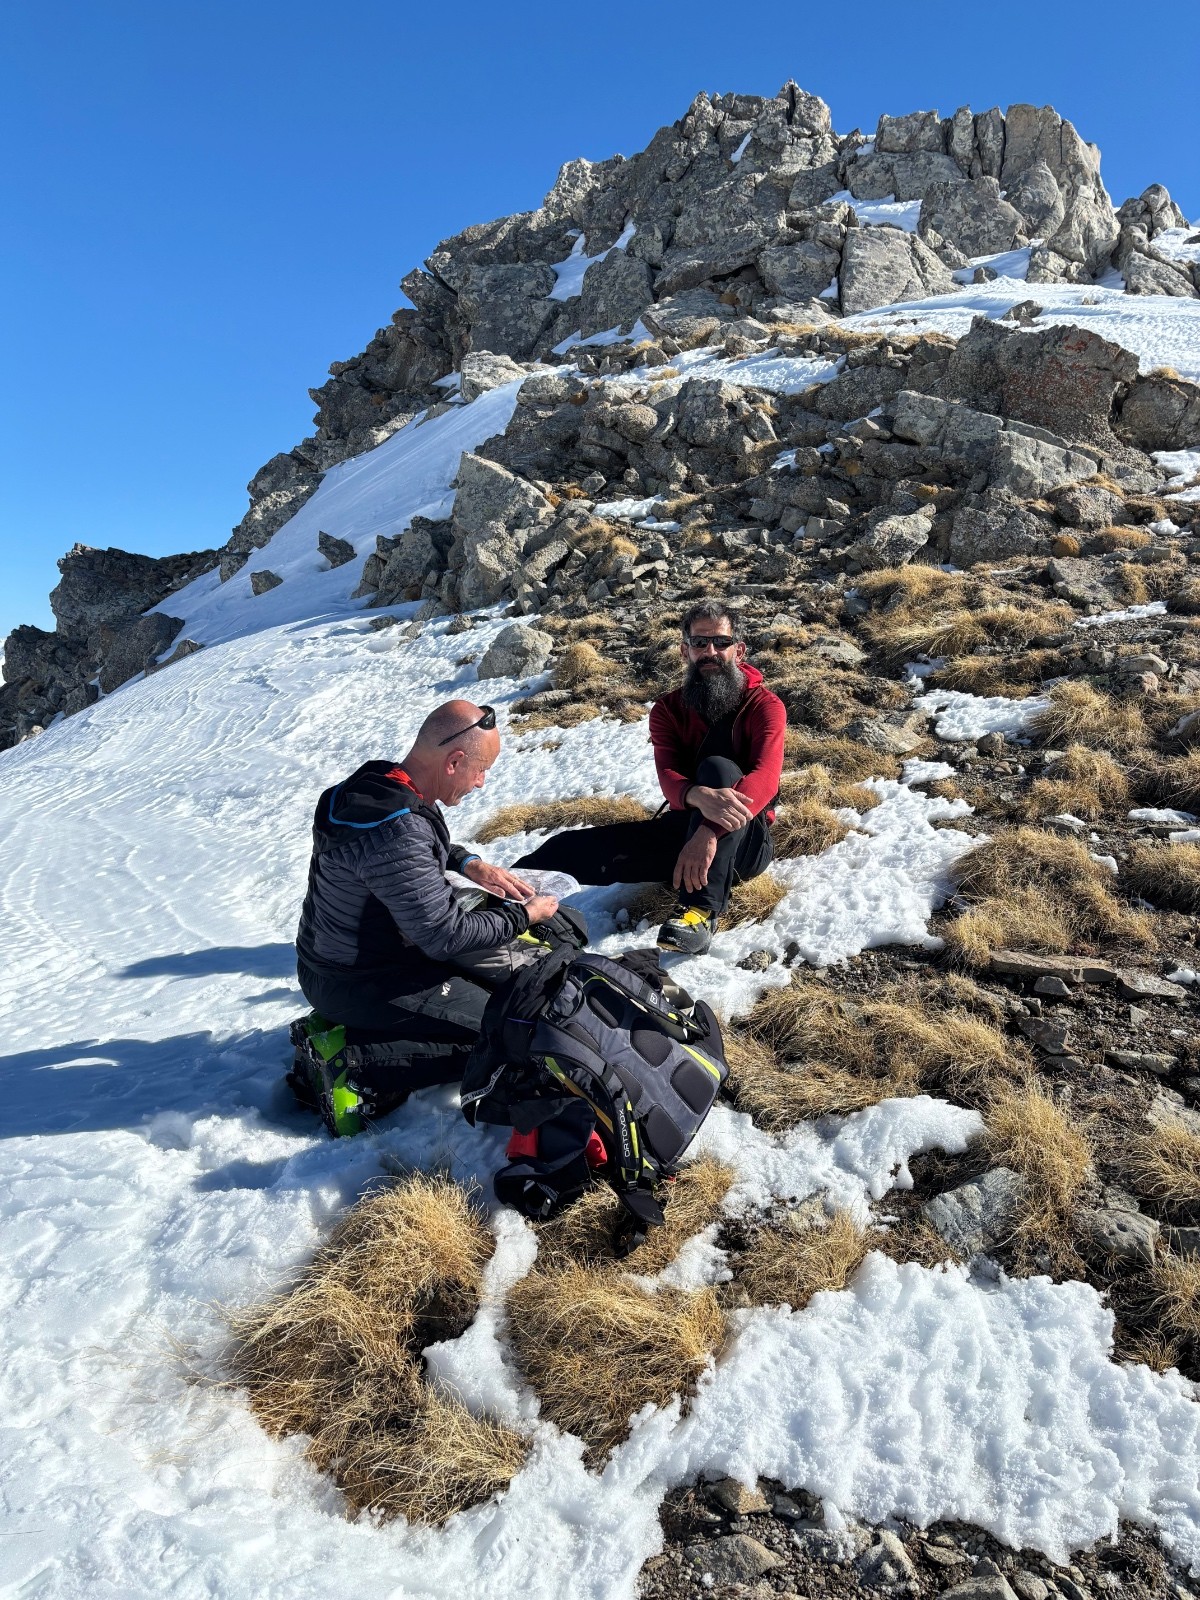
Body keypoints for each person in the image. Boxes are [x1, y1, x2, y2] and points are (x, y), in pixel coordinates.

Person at [293, 699, 564, 1106]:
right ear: (454, 761)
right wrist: (524, 915)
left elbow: (408, 852)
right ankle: (349, 1063)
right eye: (481, 770)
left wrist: (468, 862)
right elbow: (445, 936)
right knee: (507, 1032)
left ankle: (364, 1032)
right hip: (359, 981)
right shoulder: (397, 831)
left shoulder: (377, 784)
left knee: (499, 993)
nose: (481, 783)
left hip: (338, 962)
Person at [514, 601, 786, 955]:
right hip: (685, 831)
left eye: (721, 643)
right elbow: (669, 779)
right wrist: (695, 798)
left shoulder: (763, 705)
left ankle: (699, 911)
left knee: (719, 769)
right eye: (700, 643)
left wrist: (708, 831)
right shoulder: (668, 710)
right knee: (566, 848)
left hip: (746, 844)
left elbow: (765, 779)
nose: (710, 652)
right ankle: (504, 896)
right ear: (684, 650)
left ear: (739, 649)